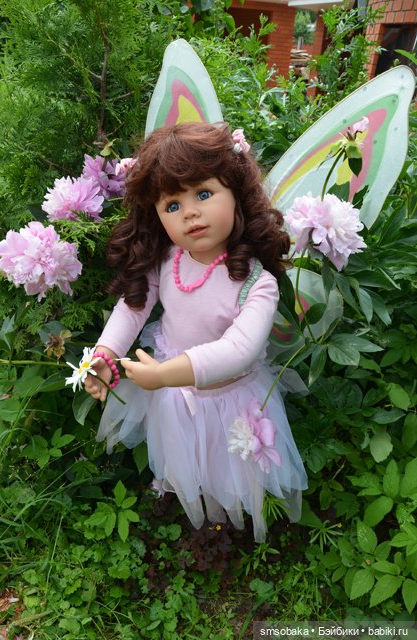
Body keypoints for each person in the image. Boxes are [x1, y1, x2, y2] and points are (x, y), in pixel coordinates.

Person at [85, 122, 307, 542]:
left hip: (231, 398)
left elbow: (239, 350)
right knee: (184, 453)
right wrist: (106, 352)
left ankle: (230, 523)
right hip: (173, 397)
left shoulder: (256, 283)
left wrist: (165, 375)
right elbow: (132, 307)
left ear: (237, 194)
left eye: (203, 194)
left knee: (231, 463)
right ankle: (192, 503)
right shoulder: (168, 260)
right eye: (172, 205)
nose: (189, 213)